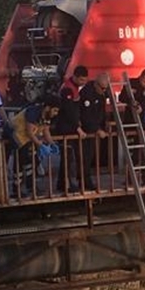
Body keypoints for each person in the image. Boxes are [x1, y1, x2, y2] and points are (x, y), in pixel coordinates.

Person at [51, 64, 88, 193]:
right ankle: (65, 184)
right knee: (67, 158)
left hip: (71, 127)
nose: (83, 83)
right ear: (76, 77)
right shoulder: (68, 89)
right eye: (82, 80)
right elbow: (68, 111)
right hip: (65, 128)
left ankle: (64, 183)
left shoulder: (75, 88)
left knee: (68, 158)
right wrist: (78, 128)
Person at [9, 95, 53, 196]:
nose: (56, 113)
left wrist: (52, 144)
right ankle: (17, 189)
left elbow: (46, 130)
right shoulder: (33, 112)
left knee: (32, 162)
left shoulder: (45, 115)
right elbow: (30, 132)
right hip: (17, 137)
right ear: (47, 107)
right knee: (20, 163)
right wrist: (40, 144)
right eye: (55, 110)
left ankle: (31, 186)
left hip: (27, 139)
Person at [78, 71, 112, 190]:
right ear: (97, 84)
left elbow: (101, 111)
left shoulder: (101, 93)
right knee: (85, 158)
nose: (104, 91)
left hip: (96, 129)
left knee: (91, 156)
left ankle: (86, 180)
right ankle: (84, 182)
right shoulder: (87, 94)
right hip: (87, 132)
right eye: (103, 88)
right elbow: (86, 116)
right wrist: (97, 129)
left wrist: (104, 123)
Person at [118, 68, 145, 172]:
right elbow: (121, 97)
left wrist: (141, 107)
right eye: (144, 82)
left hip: (144, 119)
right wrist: (131, 102)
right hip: (130, 120)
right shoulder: (131, 83)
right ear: (140, 77)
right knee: (133, 149)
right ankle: (130, 175)